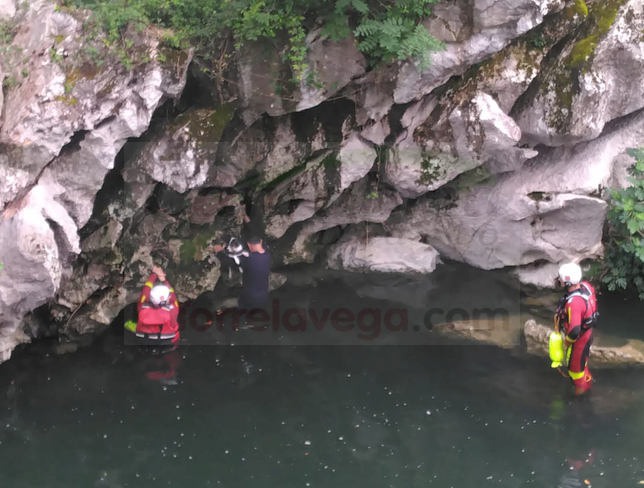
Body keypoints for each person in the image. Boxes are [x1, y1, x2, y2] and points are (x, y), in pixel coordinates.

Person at [554, 262, 599, 395]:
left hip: (578, 341)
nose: (559, 280)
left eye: (561, 279)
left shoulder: (574, 303)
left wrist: (567, 341)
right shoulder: (586, 286)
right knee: (581, 365)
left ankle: (579, 397)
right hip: (587, 334)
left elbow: (574, 330)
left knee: (574, 370)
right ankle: (588, 384)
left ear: (568, 283)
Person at [214, 235, 271, 311]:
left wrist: (218, 251)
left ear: (248, 244)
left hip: (248, 296)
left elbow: (230, 260)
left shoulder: (248, 259)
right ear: (260, 241)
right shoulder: (267, 255)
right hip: (263, 296)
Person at [132, 265, 180, 345]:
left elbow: (144, 293)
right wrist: (163, 279)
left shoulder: (141, 307)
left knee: (129, 323)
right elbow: (173, 298)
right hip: (167, 345)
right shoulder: (172, 310)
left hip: (144, 343)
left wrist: (153, 274)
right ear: (168, 297)